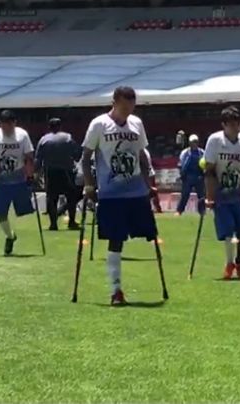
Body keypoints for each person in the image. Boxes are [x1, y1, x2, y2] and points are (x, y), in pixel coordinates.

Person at [81, 86, 158, 306]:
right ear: (114, 102)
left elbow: (142, 155)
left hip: (136, 191)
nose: (127, 110)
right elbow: (86, 157)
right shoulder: (99, 124)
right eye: (124, 106)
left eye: (131, 106)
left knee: (149, 233)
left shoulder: (136, 124)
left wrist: (148, 183)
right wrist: (88, 184)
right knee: (116, 240)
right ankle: (116, 290)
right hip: (110, 192)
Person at [204, 106, 240, 280]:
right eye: (232, 124)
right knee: (228, 231)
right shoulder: (214, 140)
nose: (236, 127)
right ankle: (229, 263)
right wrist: (210, 197)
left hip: (237, 194)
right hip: (221, 195)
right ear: (224, 125)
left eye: (238, 124)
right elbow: (210, 171)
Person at [0, 110, 36, 256]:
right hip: (2, 179)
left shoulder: (22, 135)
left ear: (14, 123)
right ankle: (10, 236)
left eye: (9, 125)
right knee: (0, 212)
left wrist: (30, 175)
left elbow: (29, 156)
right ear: (0, 124)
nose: (6, 128)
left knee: (25, 211)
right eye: (3, 125)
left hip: (19, 177)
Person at [35, 117, 82, 231]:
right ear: (60, 126)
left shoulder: (43, 140)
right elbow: (77, 153)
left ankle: (53, 224)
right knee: (71, 197)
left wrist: (37, 173)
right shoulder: (67, 137)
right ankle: (71, 222)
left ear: (49, 127)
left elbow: (38, 158)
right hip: (66, 171)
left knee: (52, 198)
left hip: (50, 172)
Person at [176, 134, 205, 216]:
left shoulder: (202, 152)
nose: (194, 144)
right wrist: (182, 174)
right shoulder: (185, 153)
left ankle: (202, 211)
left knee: (201, 195)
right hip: (188, 177)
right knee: (185, 195)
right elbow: (181, 164)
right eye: (193, 142)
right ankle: (179, 211)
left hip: (199, 176)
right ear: (190, 143)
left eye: (196, 142)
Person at [143, 147, 163, 213]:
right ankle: (157, 207)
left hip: (147, 173)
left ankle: (155, 207)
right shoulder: (145, 151)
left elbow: (145, 165)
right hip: (150, 173)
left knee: (149, 191)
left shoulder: (143, 151)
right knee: (151, 192)